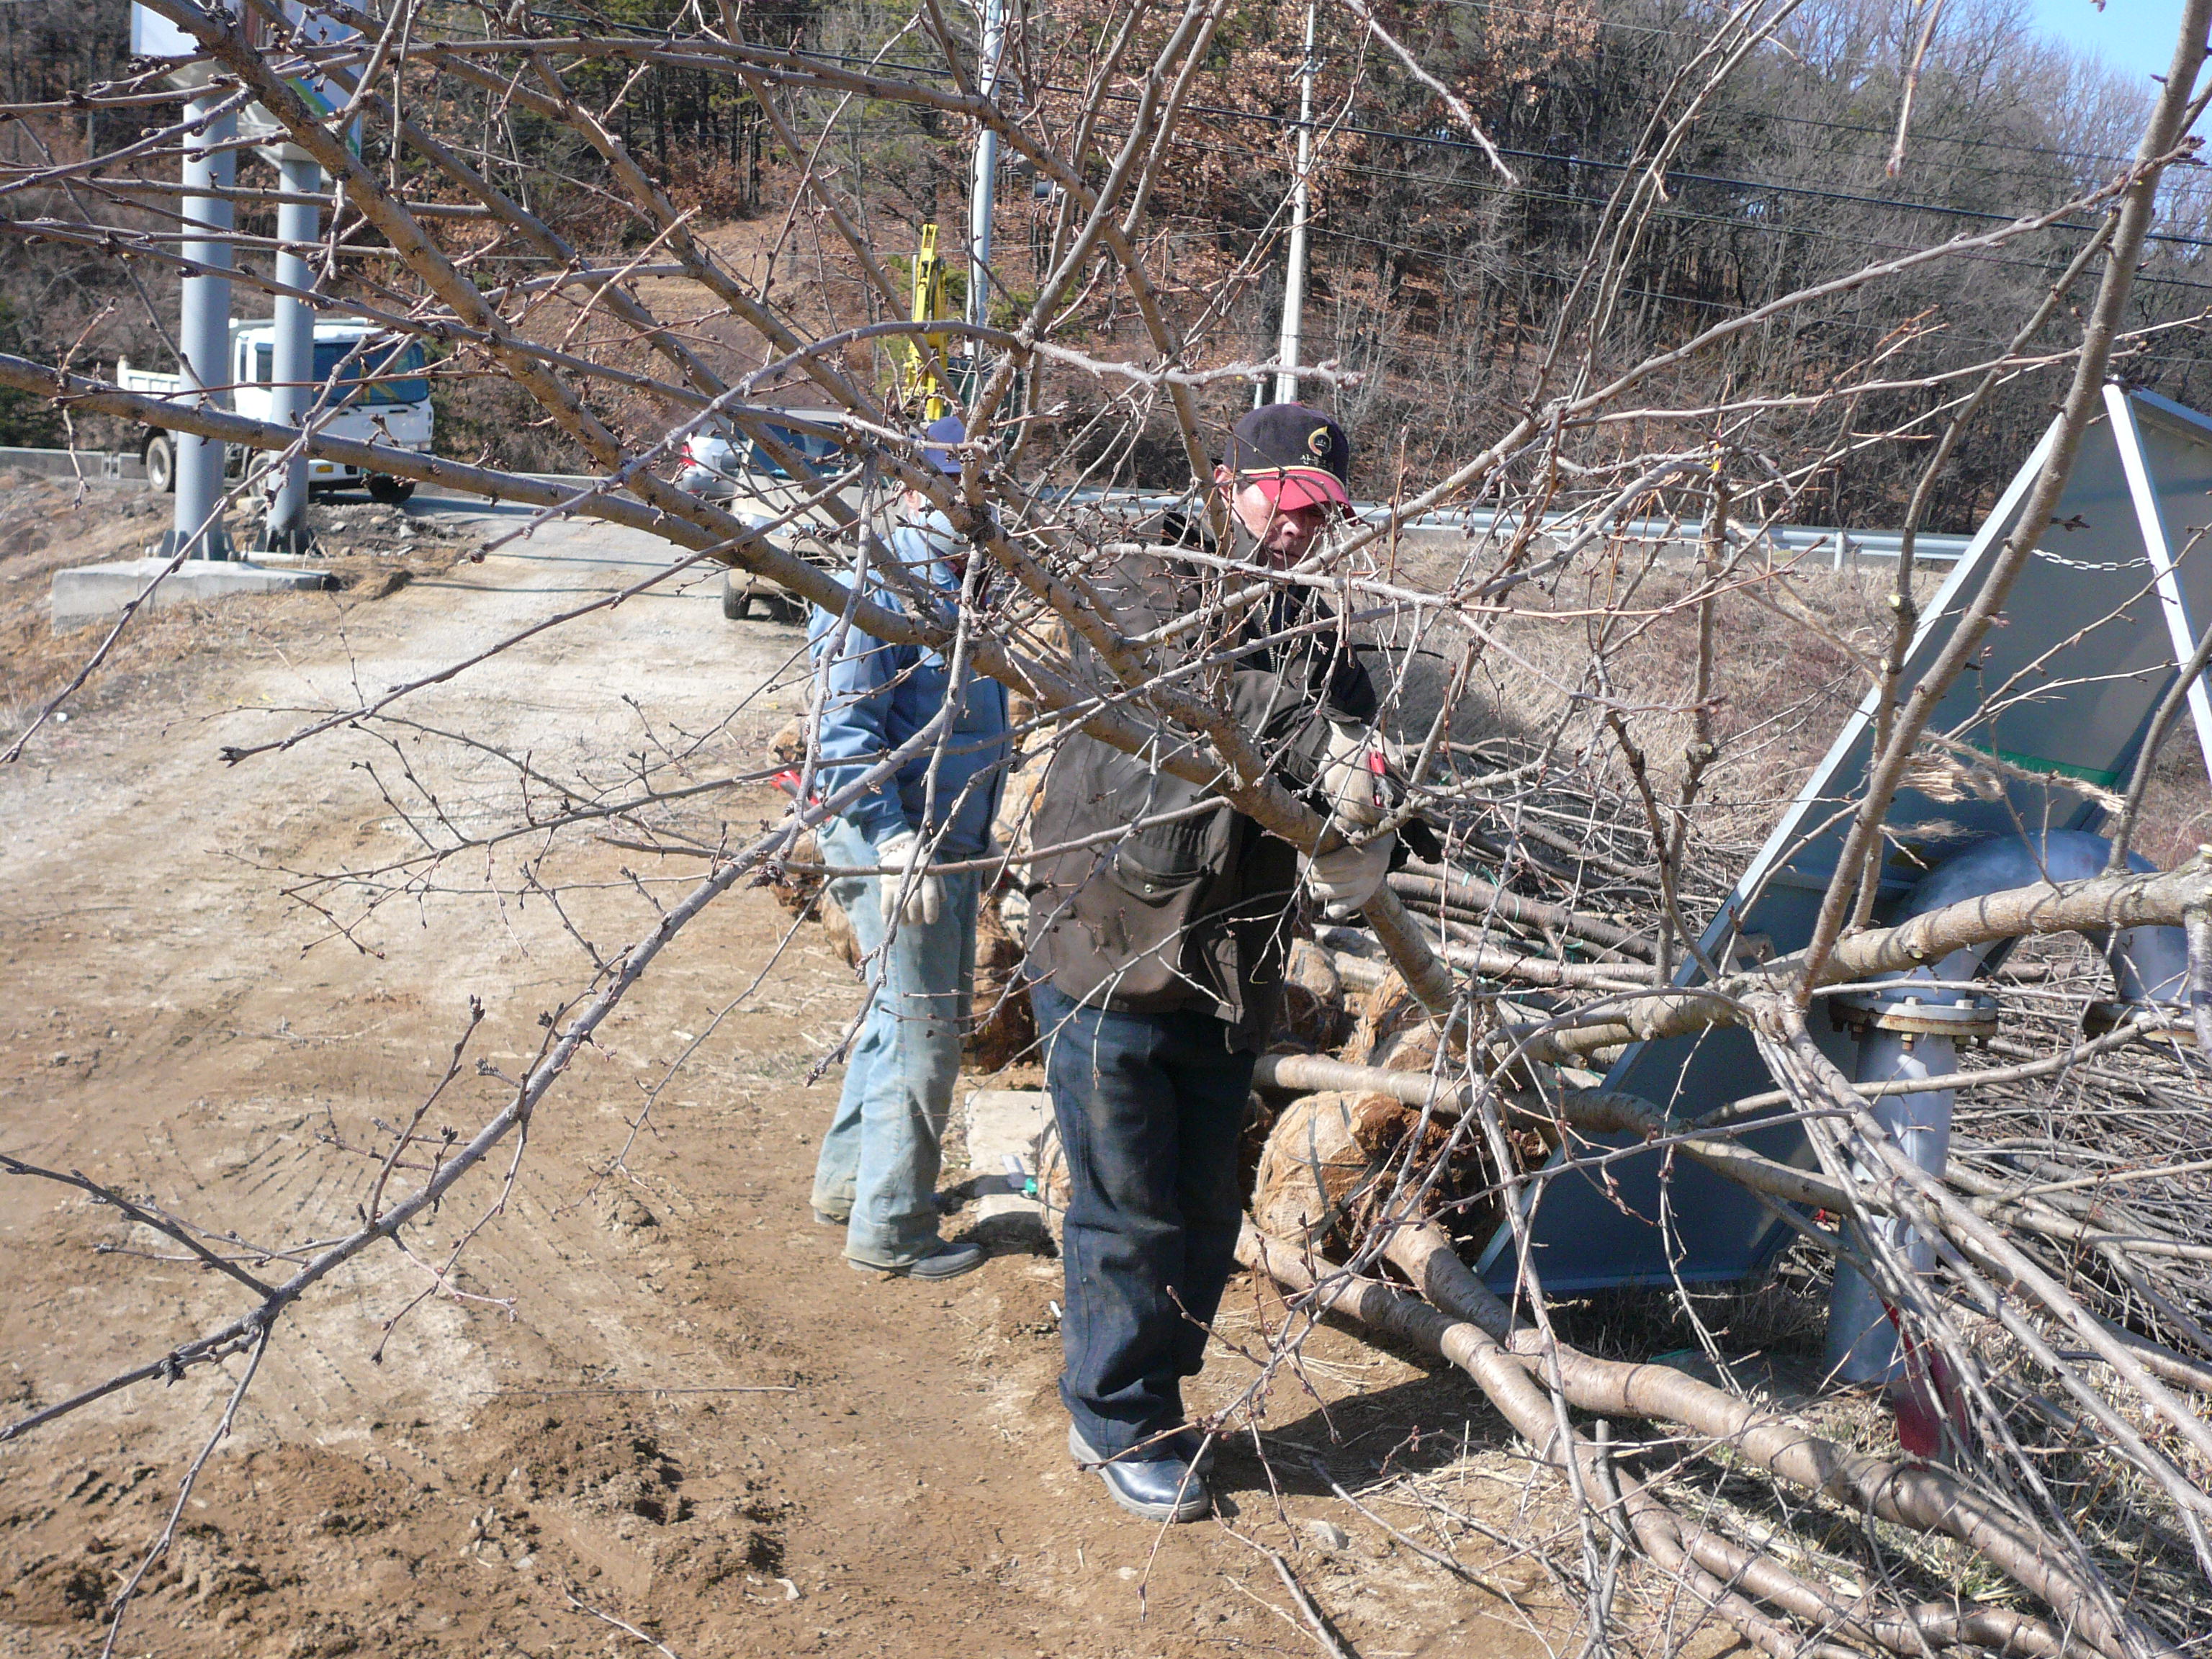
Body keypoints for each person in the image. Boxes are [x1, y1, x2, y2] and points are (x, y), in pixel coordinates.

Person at [1023, 403, 1396, 1519]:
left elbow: (1359, 744)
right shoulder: (1148, 585)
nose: (1295, 533)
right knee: (1127, 1208)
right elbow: (1200, 697)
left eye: (1317, 517)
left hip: (1226, 971)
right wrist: (1312, 742)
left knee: (1200, 1213)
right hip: (1112, 955)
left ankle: (1153, 1395)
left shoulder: (1317, 634)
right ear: (1226, 482)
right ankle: (1116, 1420)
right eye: (1280, 506)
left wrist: (1380, 813)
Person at [806, 414, 1011, 1280]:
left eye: (985, 489)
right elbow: (843, 734)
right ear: (913, 489)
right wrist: (896, 843)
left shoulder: (969, 583)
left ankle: (849, 1187)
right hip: (897, 842)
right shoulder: (882, 584)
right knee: (926, 1035)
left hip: (945, 838)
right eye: (957, 489)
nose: (975, 506)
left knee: (895, 1021)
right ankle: (894, 1232)